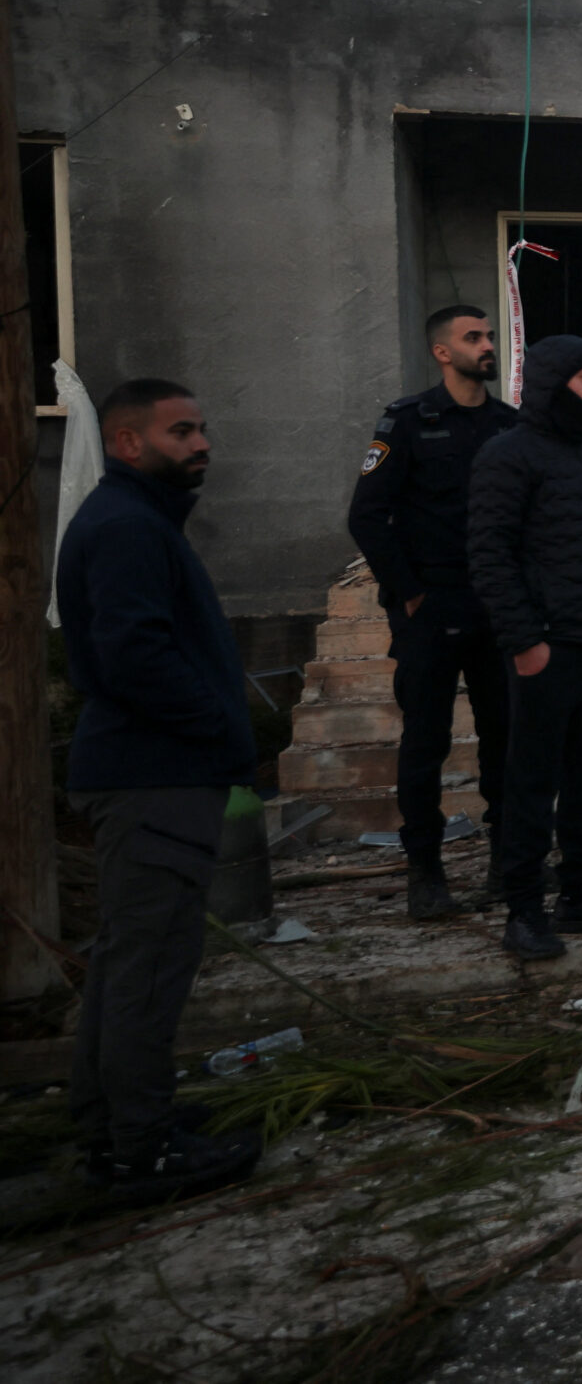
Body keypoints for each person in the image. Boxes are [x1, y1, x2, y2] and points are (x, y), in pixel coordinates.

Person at [58, 379, 263, 1202]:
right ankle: (139, 1153)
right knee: (148, 967)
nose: (202, 442)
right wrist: (217, 729)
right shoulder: (126, 528)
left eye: (203, 428)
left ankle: (112, 1128)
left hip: (155, 771)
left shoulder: (138, 522)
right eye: (182, 431)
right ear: (126, 442)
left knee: (125, 963)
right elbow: (134, 655)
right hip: (154, 776)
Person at [468, 335, 582, 959]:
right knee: (531, 783)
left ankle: (580, 895)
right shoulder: (508, 455)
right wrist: (525, 643)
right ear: (554, 384)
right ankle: (523, 912)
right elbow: (490, 555)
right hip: (549, 651)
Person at [347, 305, 518, 918]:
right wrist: (410, 591)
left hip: (496, 606)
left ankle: (509, 866)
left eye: (490, 336)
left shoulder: (507, 425)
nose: (488, 345)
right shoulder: (408, 422)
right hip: (431, 607)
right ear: (443, 352)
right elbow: (367, 515)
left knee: (506, 740)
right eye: (474, 338)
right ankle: (427, 875)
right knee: (426, 742)